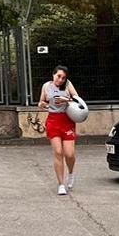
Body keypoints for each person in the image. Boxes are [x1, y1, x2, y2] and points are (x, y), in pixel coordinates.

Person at [41, 65, 82, 195]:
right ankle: (61, 184)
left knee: (69, 154)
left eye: (63, 78)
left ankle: (70, 173)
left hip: (67, 120)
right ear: (53, 75)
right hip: (53, 121)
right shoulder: (46, 86)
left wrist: (67, 99)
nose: (60, 80)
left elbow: (78, 100)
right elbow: (41, 101)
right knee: (58, 152)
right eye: (58, 76)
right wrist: (42, 104)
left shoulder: (68, 85)